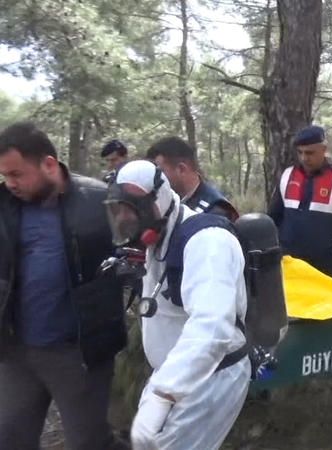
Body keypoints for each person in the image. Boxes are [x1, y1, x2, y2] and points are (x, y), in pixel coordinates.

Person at [0, 122, 127, 450]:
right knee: (10, 438)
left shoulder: (100, 201)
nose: (9, 183)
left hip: (79, 355)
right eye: (4, 176)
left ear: (49, 164)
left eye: (16, 174)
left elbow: (136, 254)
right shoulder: (4, 206)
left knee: (89, 443)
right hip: (17, 352)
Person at [106, 160, 249, 450]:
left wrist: (163, 394)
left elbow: (212, 330)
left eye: (131, 209)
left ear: (156, 201)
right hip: (176, 376)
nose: (124, 219)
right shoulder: (162, 236)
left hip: (210, 378)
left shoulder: (207, 242)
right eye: (119, 210)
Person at [267, 125, 332, 279]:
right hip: (290, 264)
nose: (304, 158)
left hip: (325, 267)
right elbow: (272, 218)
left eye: (310, 153)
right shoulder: (288, 175)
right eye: (300, 152)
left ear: (323, 150)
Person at [146, 136, 238, 222]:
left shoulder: (215, 211)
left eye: (160, 172)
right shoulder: (166, 203)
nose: (155, 178)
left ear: (181, 169)